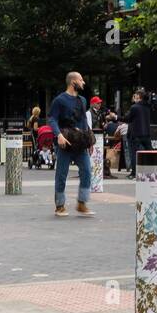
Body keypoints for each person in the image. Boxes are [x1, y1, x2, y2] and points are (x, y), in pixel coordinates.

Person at [49, 72, 93, 215]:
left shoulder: (83, 100)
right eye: (81, 80)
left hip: (80, 143)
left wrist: (89, 140)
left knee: (87, 171)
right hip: (65, 143)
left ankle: (82, 203)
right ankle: (60, 206)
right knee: (61, 174)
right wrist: (59, 135)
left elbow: (84, 121)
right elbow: (52, 119)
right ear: (73, 82)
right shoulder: (59, 100)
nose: (83, 82)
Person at [125, 89, 150, 179]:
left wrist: (115, 117)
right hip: (146, 133)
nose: (133, 97)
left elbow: (127, 118)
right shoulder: (147, 106)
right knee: (148, 153)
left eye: (135, 96)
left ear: (138, 97)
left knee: (133, 154)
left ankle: (134, 173)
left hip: (135, 135)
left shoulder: (134, 107)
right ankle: (148, 171)